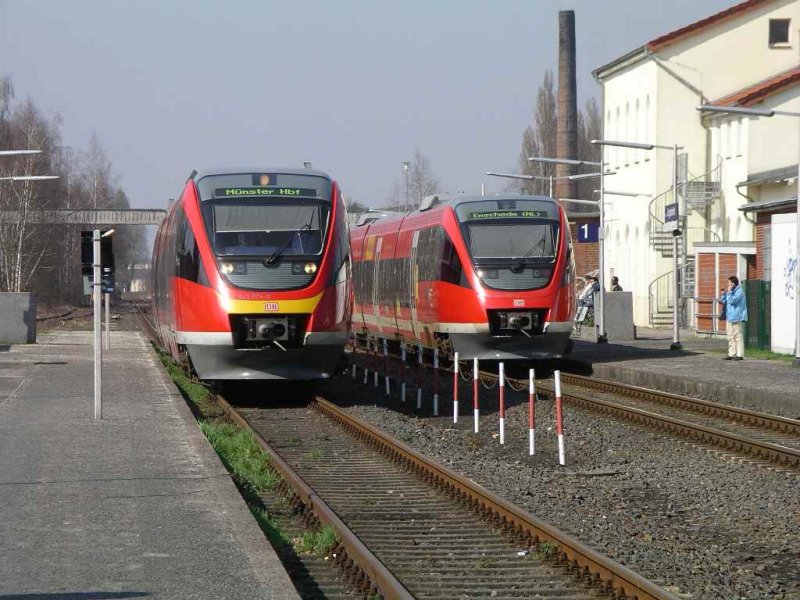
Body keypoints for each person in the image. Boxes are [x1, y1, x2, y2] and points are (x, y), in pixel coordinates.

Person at [719, 275, 748, 361]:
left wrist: (730, 292)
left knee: (737, 336)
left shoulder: (739, 292)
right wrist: (724, 295)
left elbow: (732, 301)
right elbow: (726, 301)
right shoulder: (731, 292)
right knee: (730, 336)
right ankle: (731, 353)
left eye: (729, 283)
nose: (728, 285)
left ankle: (740, 354)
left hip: (736, 316)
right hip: (729, 316)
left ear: (733, 284)